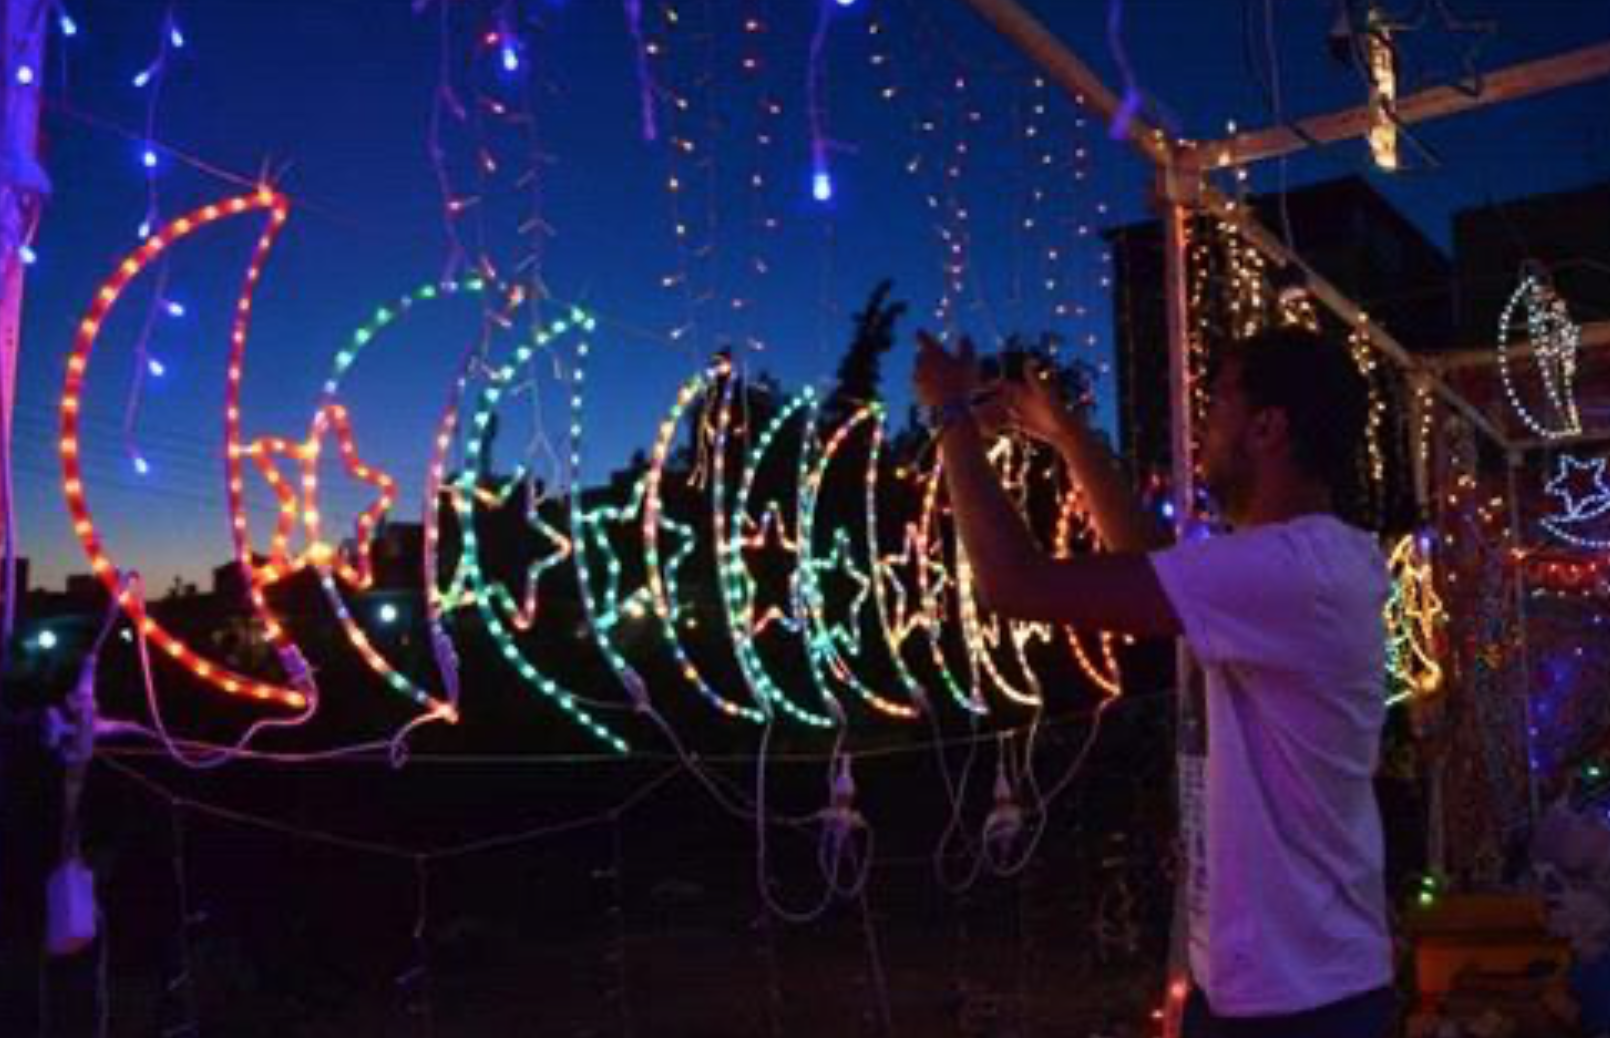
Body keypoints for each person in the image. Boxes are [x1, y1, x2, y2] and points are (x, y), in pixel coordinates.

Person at [913, 325, 1396, 1037]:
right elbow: (1145, 558)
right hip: (1274, 981)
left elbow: (1015, 584)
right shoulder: (1291, 565)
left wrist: (950, 417)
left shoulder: (1295, 570)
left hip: (1297, 1002)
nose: (1202, 426)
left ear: (1267, 427)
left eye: (1218, 403)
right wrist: (1068, 435)